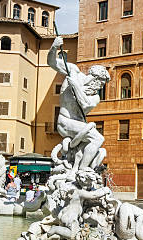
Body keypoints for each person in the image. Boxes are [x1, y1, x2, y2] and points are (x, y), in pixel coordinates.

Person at [47, 35, 110, 171]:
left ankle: (83, 170)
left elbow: (85, 105)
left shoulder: (95, 97)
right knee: (98, 139)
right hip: (65, 121)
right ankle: (81, 172)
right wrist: (54, 47)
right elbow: (52, 63)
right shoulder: (73, 72)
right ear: (95, 77)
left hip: (79, 125)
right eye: (101, 83)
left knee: (100, 150)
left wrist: (75, 86)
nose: (100, 87)